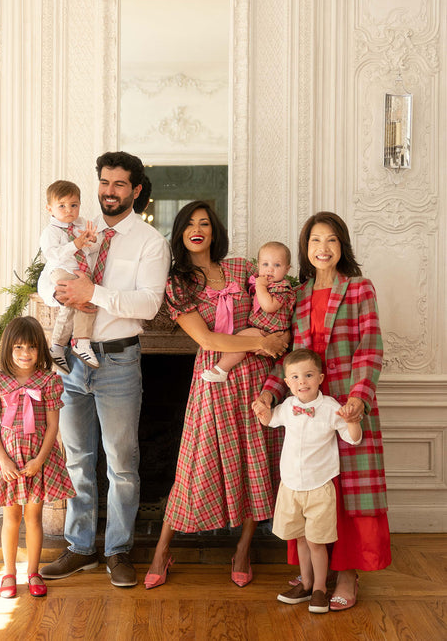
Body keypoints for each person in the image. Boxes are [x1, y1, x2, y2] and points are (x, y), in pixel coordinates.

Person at [39, 152, 170, 588]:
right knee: (77, 459)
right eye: (104, 182)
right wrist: (62, 294)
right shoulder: (77, 228)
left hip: (118, 359)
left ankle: (117, 550)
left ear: (135, 190)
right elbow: (46, 275)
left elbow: (149, 303)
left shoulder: (150, 242)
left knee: (122, 465)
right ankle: (81, 549)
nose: (108, 191)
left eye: (119, 184)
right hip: (71, 362)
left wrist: (93, 292)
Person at [144, 201, 289, 590]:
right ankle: (162, 550)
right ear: (180, 232)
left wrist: (280, 336)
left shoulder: (242, 267)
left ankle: (243, 548)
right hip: (213, 378)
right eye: (190, 223)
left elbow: (276, 300)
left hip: (256, 376)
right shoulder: (177, 283)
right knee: (194, 462)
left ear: (214, 230)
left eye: (205, 223)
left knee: (255, 460)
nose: (198, 229)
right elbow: (205, 338)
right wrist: (262, 340)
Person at [254, 211, 391, 611]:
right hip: (305, 410)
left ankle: (348, 573)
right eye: (315, 240)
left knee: (348, 492)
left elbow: (370, 348)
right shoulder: (296, 295)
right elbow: (289, 356)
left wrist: (359, 399)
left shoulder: (360, 289)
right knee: (309, 489)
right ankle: (313, 576)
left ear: (342, 246)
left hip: (346, 408)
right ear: (305, 248)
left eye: (331, 240)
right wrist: (269, 395)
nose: (323, 248)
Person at [258, 348, 362, 614]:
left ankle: (319, 589)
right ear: (288, 382)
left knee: (316, 541)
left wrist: (352, 421)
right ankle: (305, 584)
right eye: (294, 377)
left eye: (307, 375)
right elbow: (271, 421)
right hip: (291, 485)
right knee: (301, 540)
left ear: (320, 378)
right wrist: (262, 410)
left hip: (319, 486)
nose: (301, 381)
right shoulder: (288, 407)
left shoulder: (330, 408)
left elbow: (353, 438)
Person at [0, 316, 75, 599]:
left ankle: (33, 571)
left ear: (40, 350)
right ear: (8, 349)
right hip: (8, 460)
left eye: (32, 347)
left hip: (37, 461)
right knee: (11, 517)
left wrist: (40, 461)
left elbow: (53, 426)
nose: (25, 354)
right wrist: (3, 461)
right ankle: (9, 573)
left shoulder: (48, 380)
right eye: (19, 347)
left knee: (34, 518)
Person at [202, 240, 295, 382]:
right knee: (241, 341)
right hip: (262, 328)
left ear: (287, 269)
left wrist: (260, 287)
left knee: (240, 340)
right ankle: (222, 369)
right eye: (265, 264)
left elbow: (268, 306)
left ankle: (221, 369)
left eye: (277, 265)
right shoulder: (260, 283)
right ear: (258, 266)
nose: (270, 269)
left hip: (271, 330)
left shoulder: (282, 287)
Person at [38, 180, 99, 373]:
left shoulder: (81, 225)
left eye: (74, 205)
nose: (68, 210)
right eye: (62, 206)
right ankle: (81, 341)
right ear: (50, 208)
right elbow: (53, 255)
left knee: (73, 304)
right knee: (84, 297)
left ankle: (57, 346)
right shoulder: (51, 231)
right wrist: (76, 244)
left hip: (77, 270)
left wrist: (92, 241)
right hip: (60, 270)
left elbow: (90, 251)